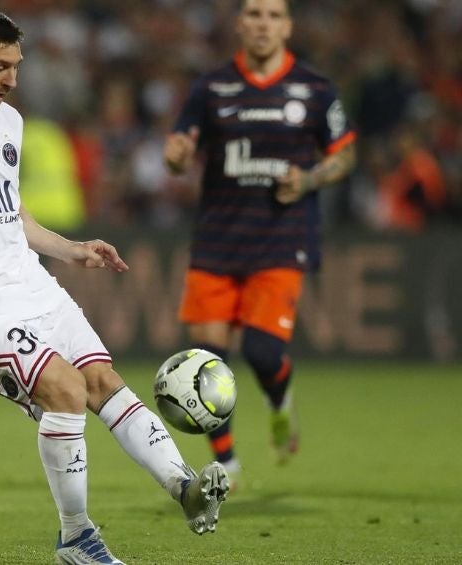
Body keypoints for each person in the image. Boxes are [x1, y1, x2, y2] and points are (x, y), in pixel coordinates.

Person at [0, 8, 229, 565]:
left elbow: (11, 212)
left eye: (16, 65)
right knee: (64, 390)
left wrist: (72, 249)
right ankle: (76, 537)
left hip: (33, 287)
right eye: (0, 66)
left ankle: (184, 486)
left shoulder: (10, 124)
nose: (12, 79)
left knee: (101, 380)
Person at [163, 0, 357, 480]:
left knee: (263, 353)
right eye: (254, 14)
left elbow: (345, 153)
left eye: (273, 15)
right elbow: (177, 152)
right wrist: (176, 155)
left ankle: (280, 399)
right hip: (217, 239)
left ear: (288, 25)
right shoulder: (211, 87)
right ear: (239, 24)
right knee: (207, 362)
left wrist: (311, 180)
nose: (263, 23)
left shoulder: (314, 89)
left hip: (280, 237)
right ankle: (226, 462)